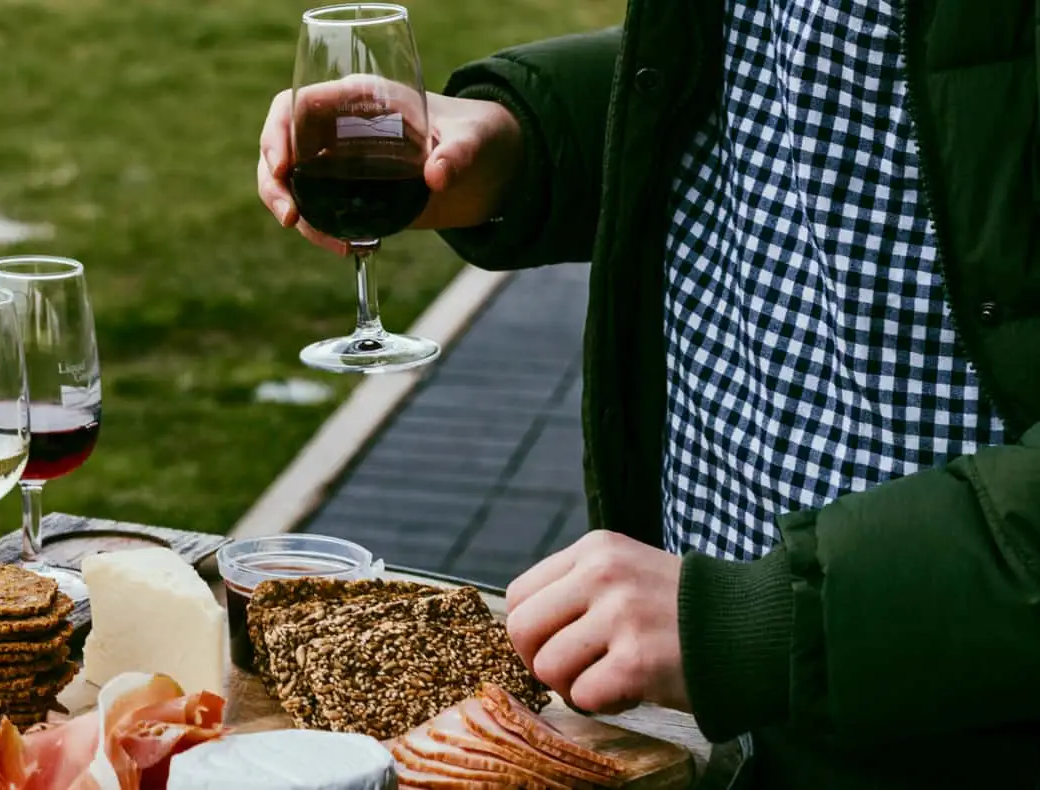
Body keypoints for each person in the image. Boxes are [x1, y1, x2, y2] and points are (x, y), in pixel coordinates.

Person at [258, 2, 1040, 788]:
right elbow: (804, 83)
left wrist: (776, 618)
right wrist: (528, 136)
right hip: (698, 706)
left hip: (954, 723)